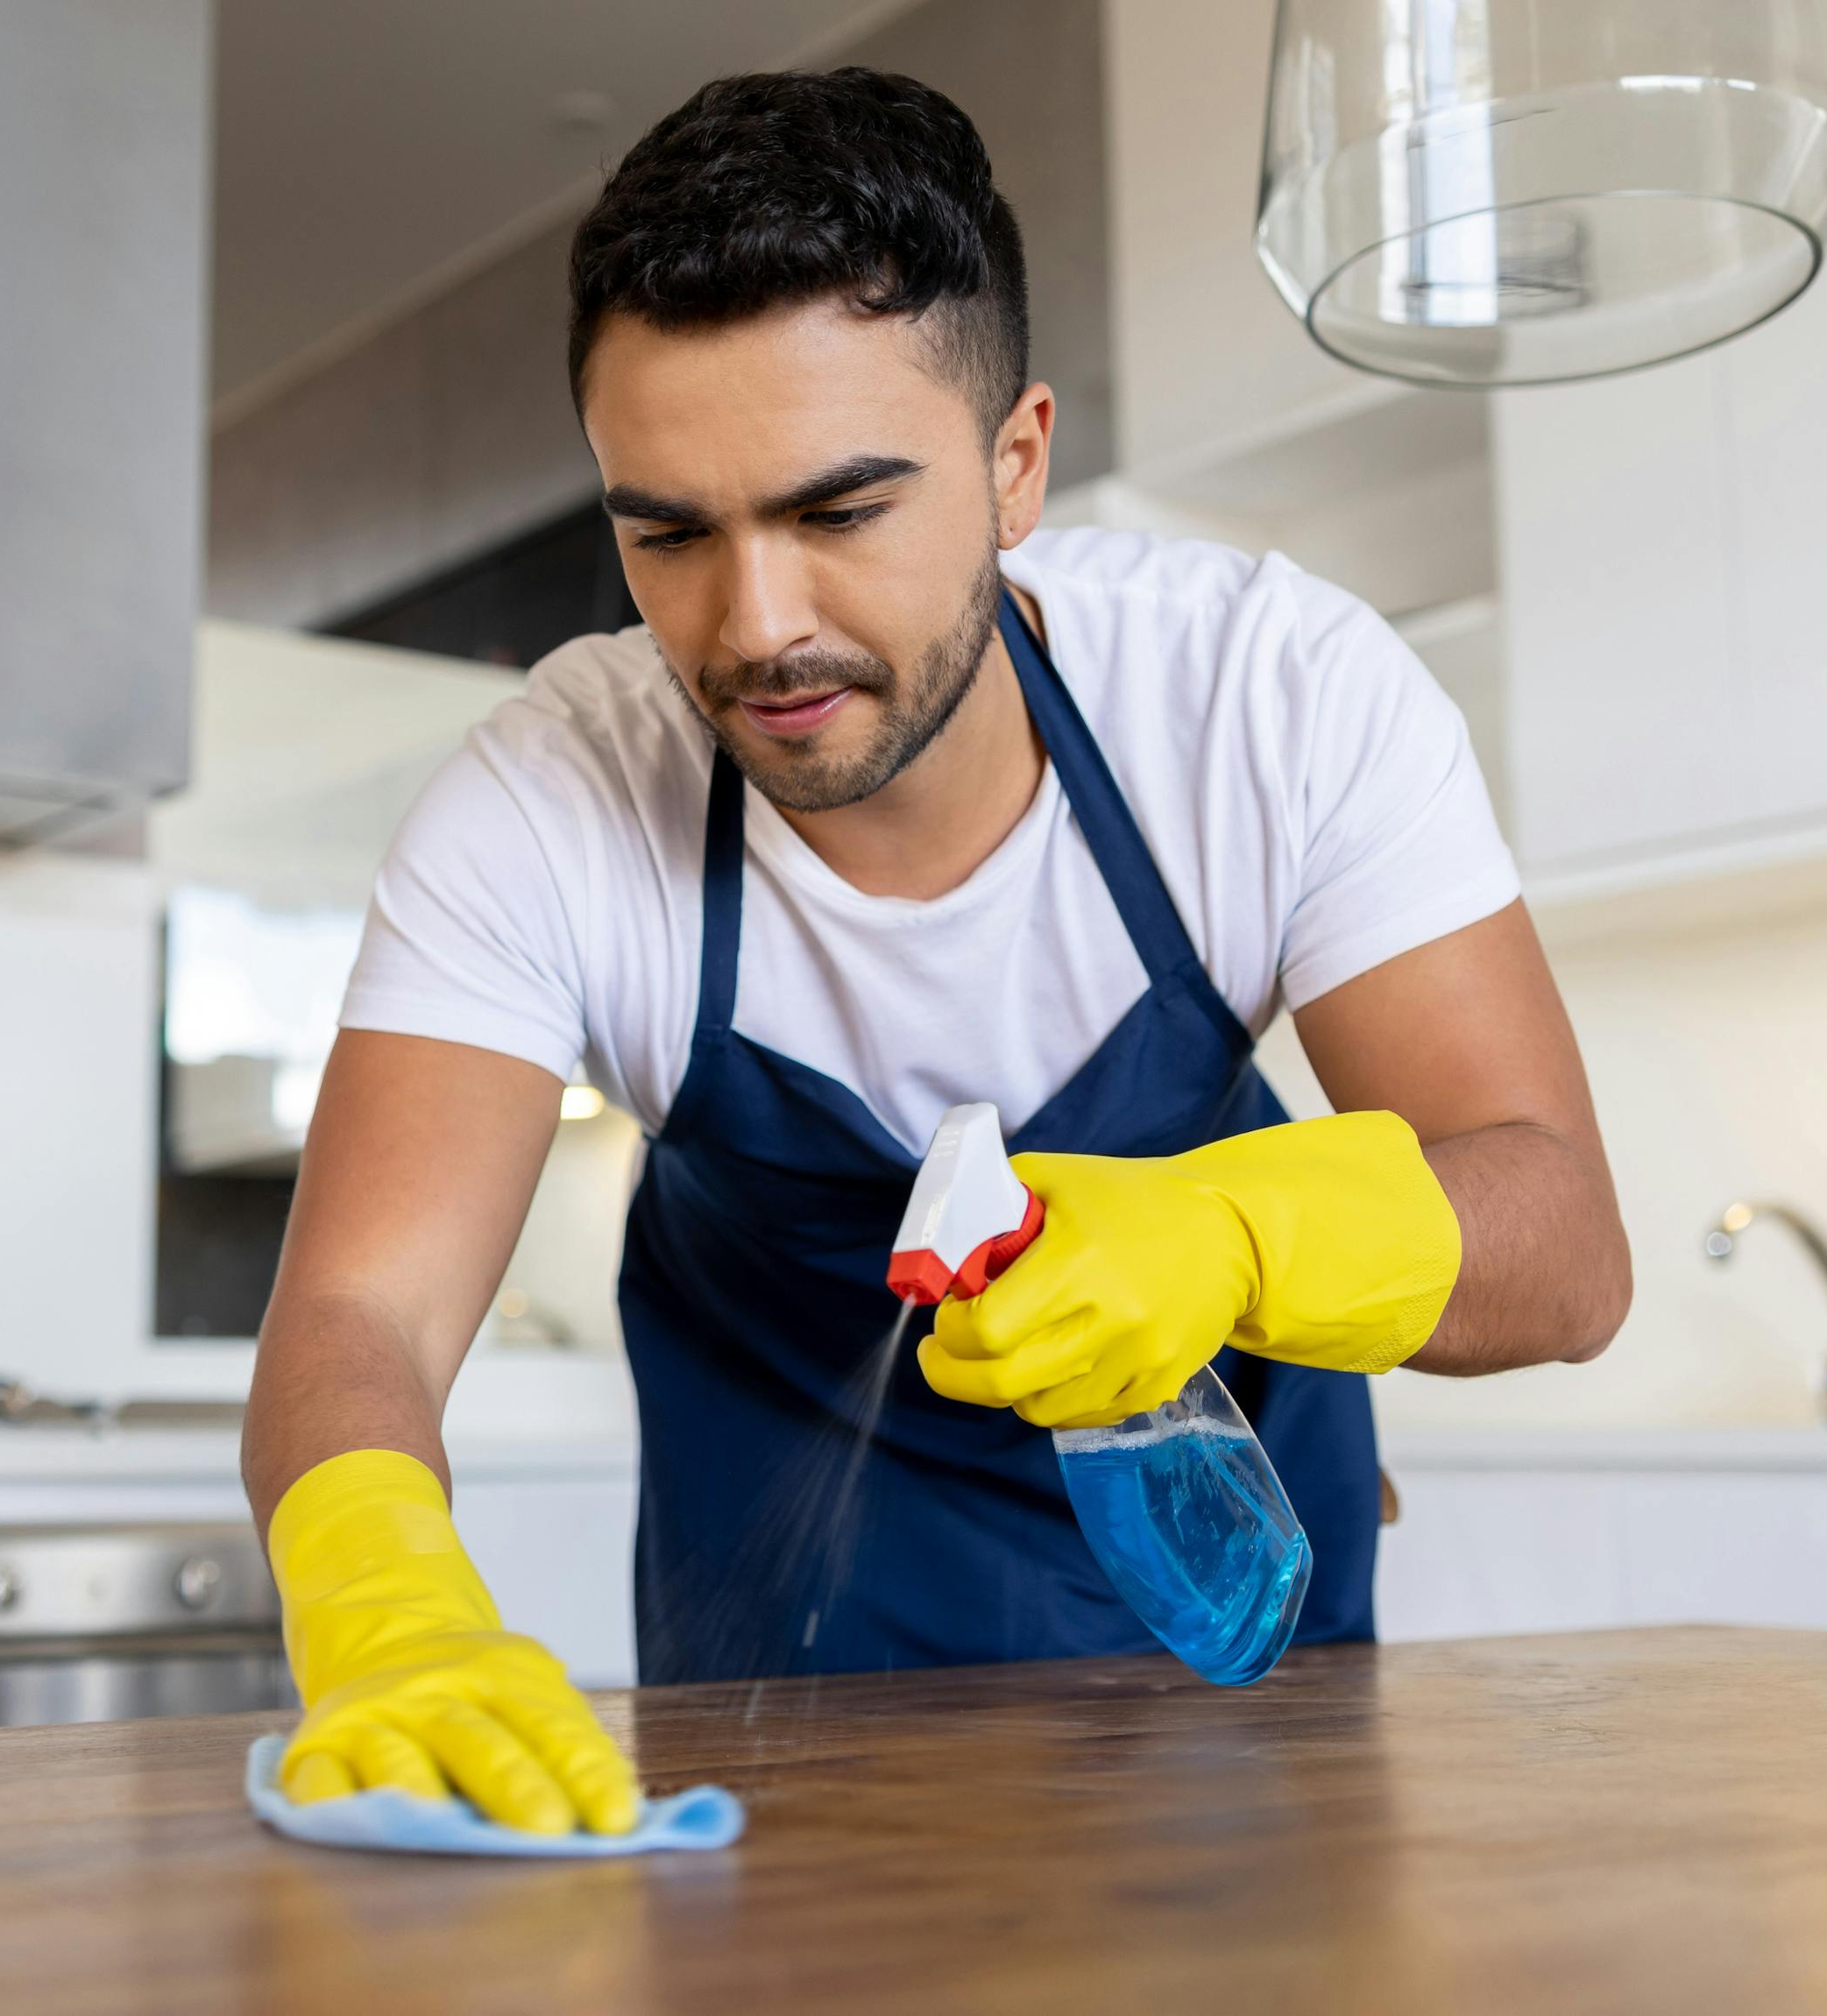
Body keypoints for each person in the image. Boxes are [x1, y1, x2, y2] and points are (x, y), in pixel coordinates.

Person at [241, 67, 1632, 1836]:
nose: (755, 625)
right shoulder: (549, 798)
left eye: (839, 511)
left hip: (1248, 1681)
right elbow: (356, 1311)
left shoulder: (1269, 699)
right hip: (794, 1719)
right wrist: (379, 1599)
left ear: (1016, 461)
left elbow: (1566, 1245)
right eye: (666, 531)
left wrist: (1237, 1231)